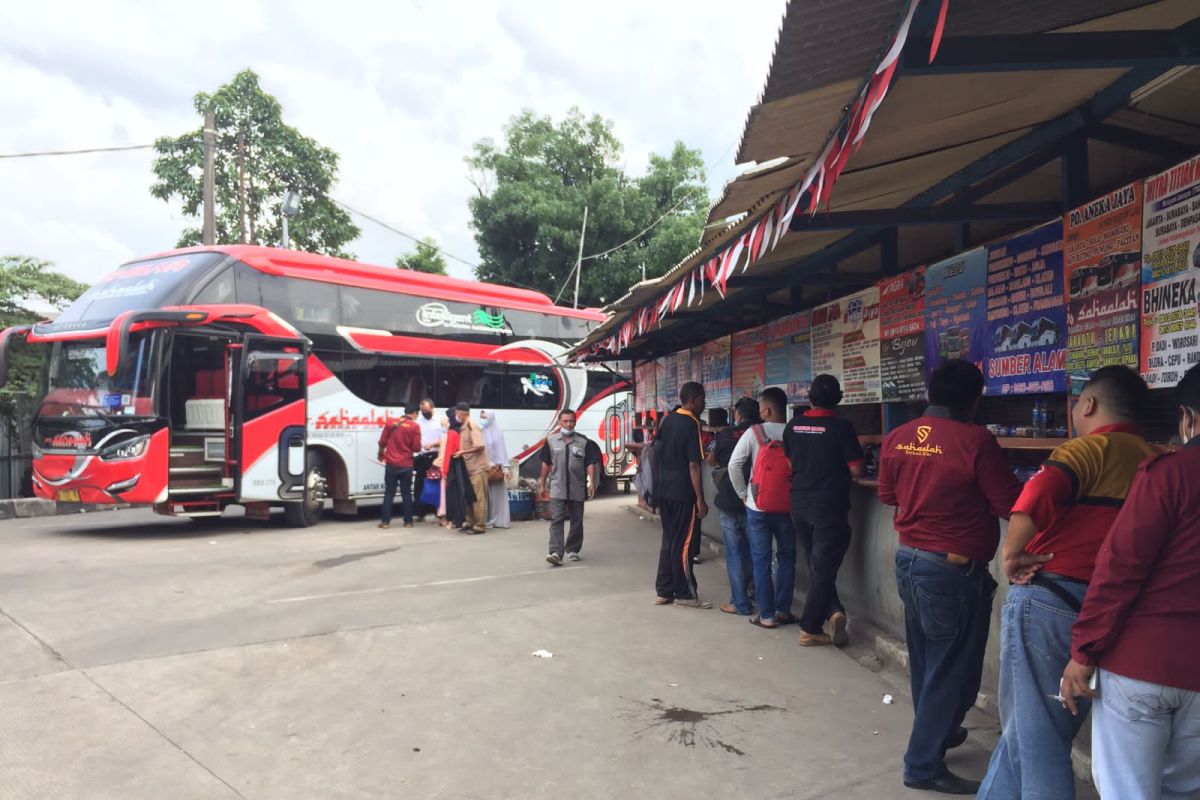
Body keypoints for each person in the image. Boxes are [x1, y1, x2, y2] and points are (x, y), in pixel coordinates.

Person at [979, 365, 1156, 800]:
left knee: (1038, 739)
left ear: (1089, 404)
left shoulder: (1086, 451)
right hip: (1109, 613)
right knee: (1029, 728)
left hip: (1050, 600)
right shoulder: (1155, 461)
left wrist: (1012, 554)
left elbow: (1033, 499)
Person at [877, 360, 1022, 795]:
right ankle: (922, 764)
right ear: (975, 400)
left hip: (910, 560)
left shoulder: (898, 437)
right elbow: (1007, 503)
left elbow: (887, 494)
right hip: (950, 570)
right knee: (951, 671)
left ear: (929, 394)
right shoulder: (977, 441)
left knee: (927, 659)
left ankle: (938, 733)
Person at [1058, 362, 1200, 799]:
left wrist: (1083, 652)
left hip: (1142, 666)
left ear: (1188, 417)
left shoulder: (1170, 473)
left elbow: (1120, 567)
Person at [782, 374, 865, 646]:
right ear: (839, 399)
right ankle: (809, 627)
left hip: (799, 503)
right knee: (822, 566)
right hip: (828, 506)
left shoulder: (793, 426)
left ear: (809, 398)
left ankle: (833, 611)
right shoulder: (842, 428)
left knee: (817, 564)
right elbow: (856, 470)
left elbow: (789, 465)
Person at [729, 387, 797, 629]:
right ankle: (783, 610)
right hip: (789, 506)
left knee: (761, 560)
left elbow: (734, 466)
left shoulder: (754, 432)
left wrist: (743, 495)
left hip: (758, 506)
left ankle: (766, 616)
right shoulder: (794, 431)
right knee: (787, 556)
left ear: (767, 410)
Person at [653, 381, 710, 608]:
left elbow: (656, 451)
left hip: (665, 490)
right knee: (684, 544)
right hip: (683, 493)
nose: (704, 403)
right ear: (695, 398)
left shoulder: (668, 419)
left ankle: (663, 590)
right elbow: (693, 465)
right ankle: (685, 593)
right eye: (703, 399)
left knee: (669, 541)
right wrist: (700, 498)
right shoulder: (691, 424)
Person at [711, 397, 759, 616]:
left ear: (738, 415)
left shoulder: (725, 434)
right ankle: (755, 594)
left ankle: (740, 602)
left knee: (735, 554)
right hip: (756, 501)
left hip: (730, 499)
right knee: (755, 551)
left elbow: (712, 460)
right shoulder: (762, 432)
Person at [539, 409, 601, 565]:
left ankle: (573, 549)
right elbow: (546, 463)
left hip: (577, 487)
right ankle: (555, 552)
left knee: (577, 520)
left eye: (571, 421)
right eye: (565, 421)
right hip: (557, 487)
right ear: (560, 422)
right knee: (557, 519)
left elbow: (590, 463)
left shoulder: (583, 441)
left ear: (575, 422)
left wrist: (591, 482)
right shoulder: (551, 441)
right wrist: (542, 485)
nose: (569, 424)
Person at [377, 404, 423, 529]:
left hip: (391, 464)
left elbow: (382, 442)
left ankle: (385, 522)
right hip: (407, 465)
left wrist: (380, 454)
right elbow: (416, 448)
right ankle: (408, 522)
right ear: (414, 413)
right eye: (417, 415)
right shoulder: (415, 426)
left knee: (389, 493)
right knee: (406, 493)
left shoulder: (391, 422)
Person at [453, 402, 490, 535]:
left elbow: (480, 446)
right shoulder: (462, 427)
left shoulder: (472, 426)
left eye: (456, 413)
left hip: (478, 468)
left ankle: (479, 525)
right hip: (467, 468)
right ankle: (469, 522)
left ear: (462, 413)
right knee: (468, 496)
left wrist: (462, 452)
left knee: (478, 498)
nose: (455, 415)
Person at [479, 409, 511, 530]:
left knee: (497, 496)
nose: (483, 420)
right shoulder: (481, 432)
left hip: (496, 468)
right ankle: (487, 519)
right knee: (485, 495)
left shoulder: (497, 433)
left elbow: (502, 451)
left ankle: (498, 520)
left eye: (485, 417)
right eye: (481, 417)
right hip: (484, 467)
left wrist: (505, 468)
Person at [413, 397, 442, 521]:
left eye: (426, 410)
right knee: (419, 485)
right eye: (422, 411)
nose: (424, 413)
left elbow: (446, 439)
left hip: (435, 456)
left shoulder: (440, 420)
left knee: (436, 484)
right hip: (422, 456)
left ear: (432, 407)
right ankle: (420, 513)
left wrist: (433, 445)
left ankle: (438, 511)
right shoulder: (418, 421)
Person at [437, 408, 464, 528]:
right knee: (460, 494)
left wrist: (445, 471)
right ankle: (460, 520)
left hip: (453, 467)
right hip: (461, 465)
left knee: (452, 495)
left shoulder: (451, 433)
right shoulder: (462, 430)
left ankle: (452, 521)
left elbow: (448, 454)